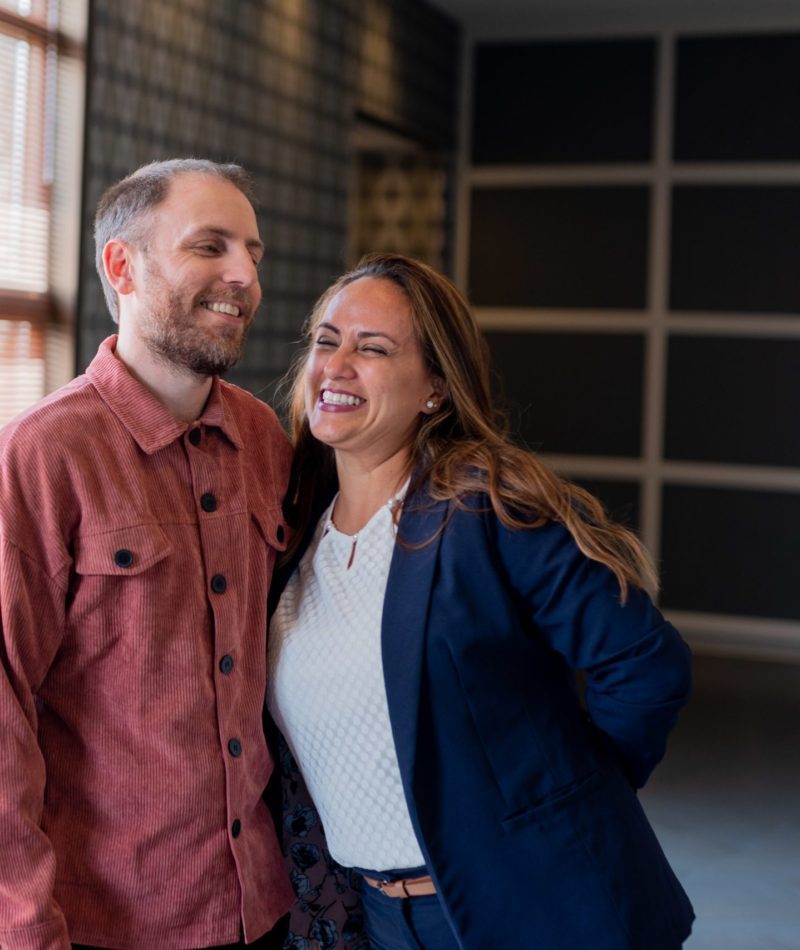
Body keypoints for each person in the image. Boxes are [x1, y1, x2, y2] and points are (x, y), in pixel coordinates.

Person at [266, 252, 695, 949]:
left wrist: (568, 800)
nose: (337, 364)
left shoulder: (483, 507)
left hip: (529, 906)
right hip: (377, 916)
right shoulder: (292, 522)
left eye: (372, 348)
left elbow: (647, 665)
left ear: (434, 387)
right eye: (326, 340)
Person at [0, 159, 295, 949]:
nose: (244, 276)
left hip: (261, 905)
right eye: (211, 247)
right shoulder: (41, 454)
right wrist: (25, 928)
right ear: (121, 266)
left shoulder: (265, 439)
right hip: (108, 922)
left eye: (252, 253)